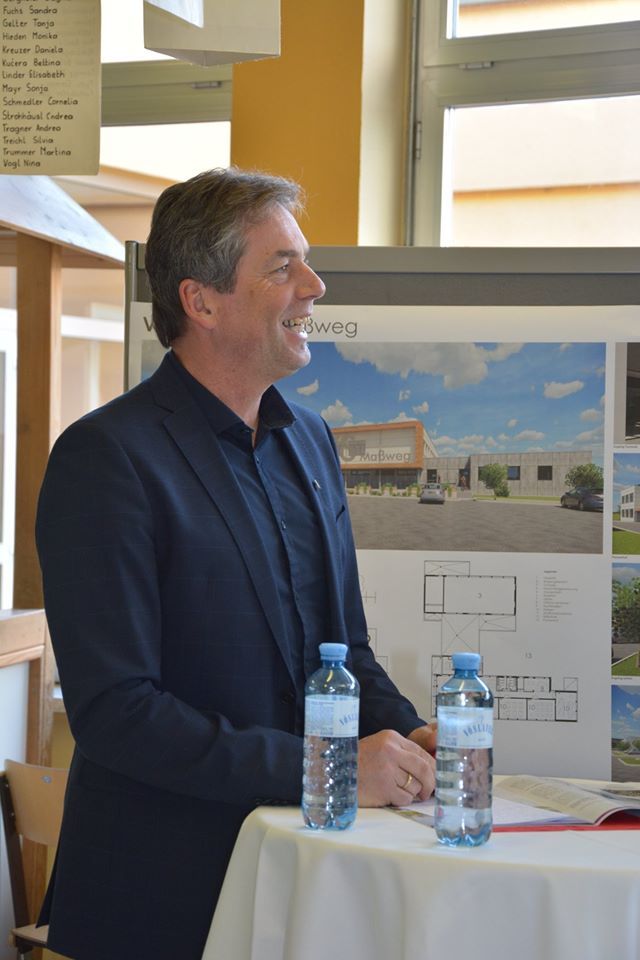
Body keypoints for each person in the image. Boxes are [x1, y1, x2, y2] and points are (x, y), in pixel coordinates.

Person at [36, 167, 436, 960]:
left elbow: (344, 652)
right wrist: (329, 769)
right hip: (158, 900)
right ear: (202, 301)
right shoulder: (106, 458)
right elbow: (118, 714)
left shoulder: (311, 442)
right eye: (283, 266)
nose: (315, 287)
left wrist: (414, 733)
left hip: (304, 886)